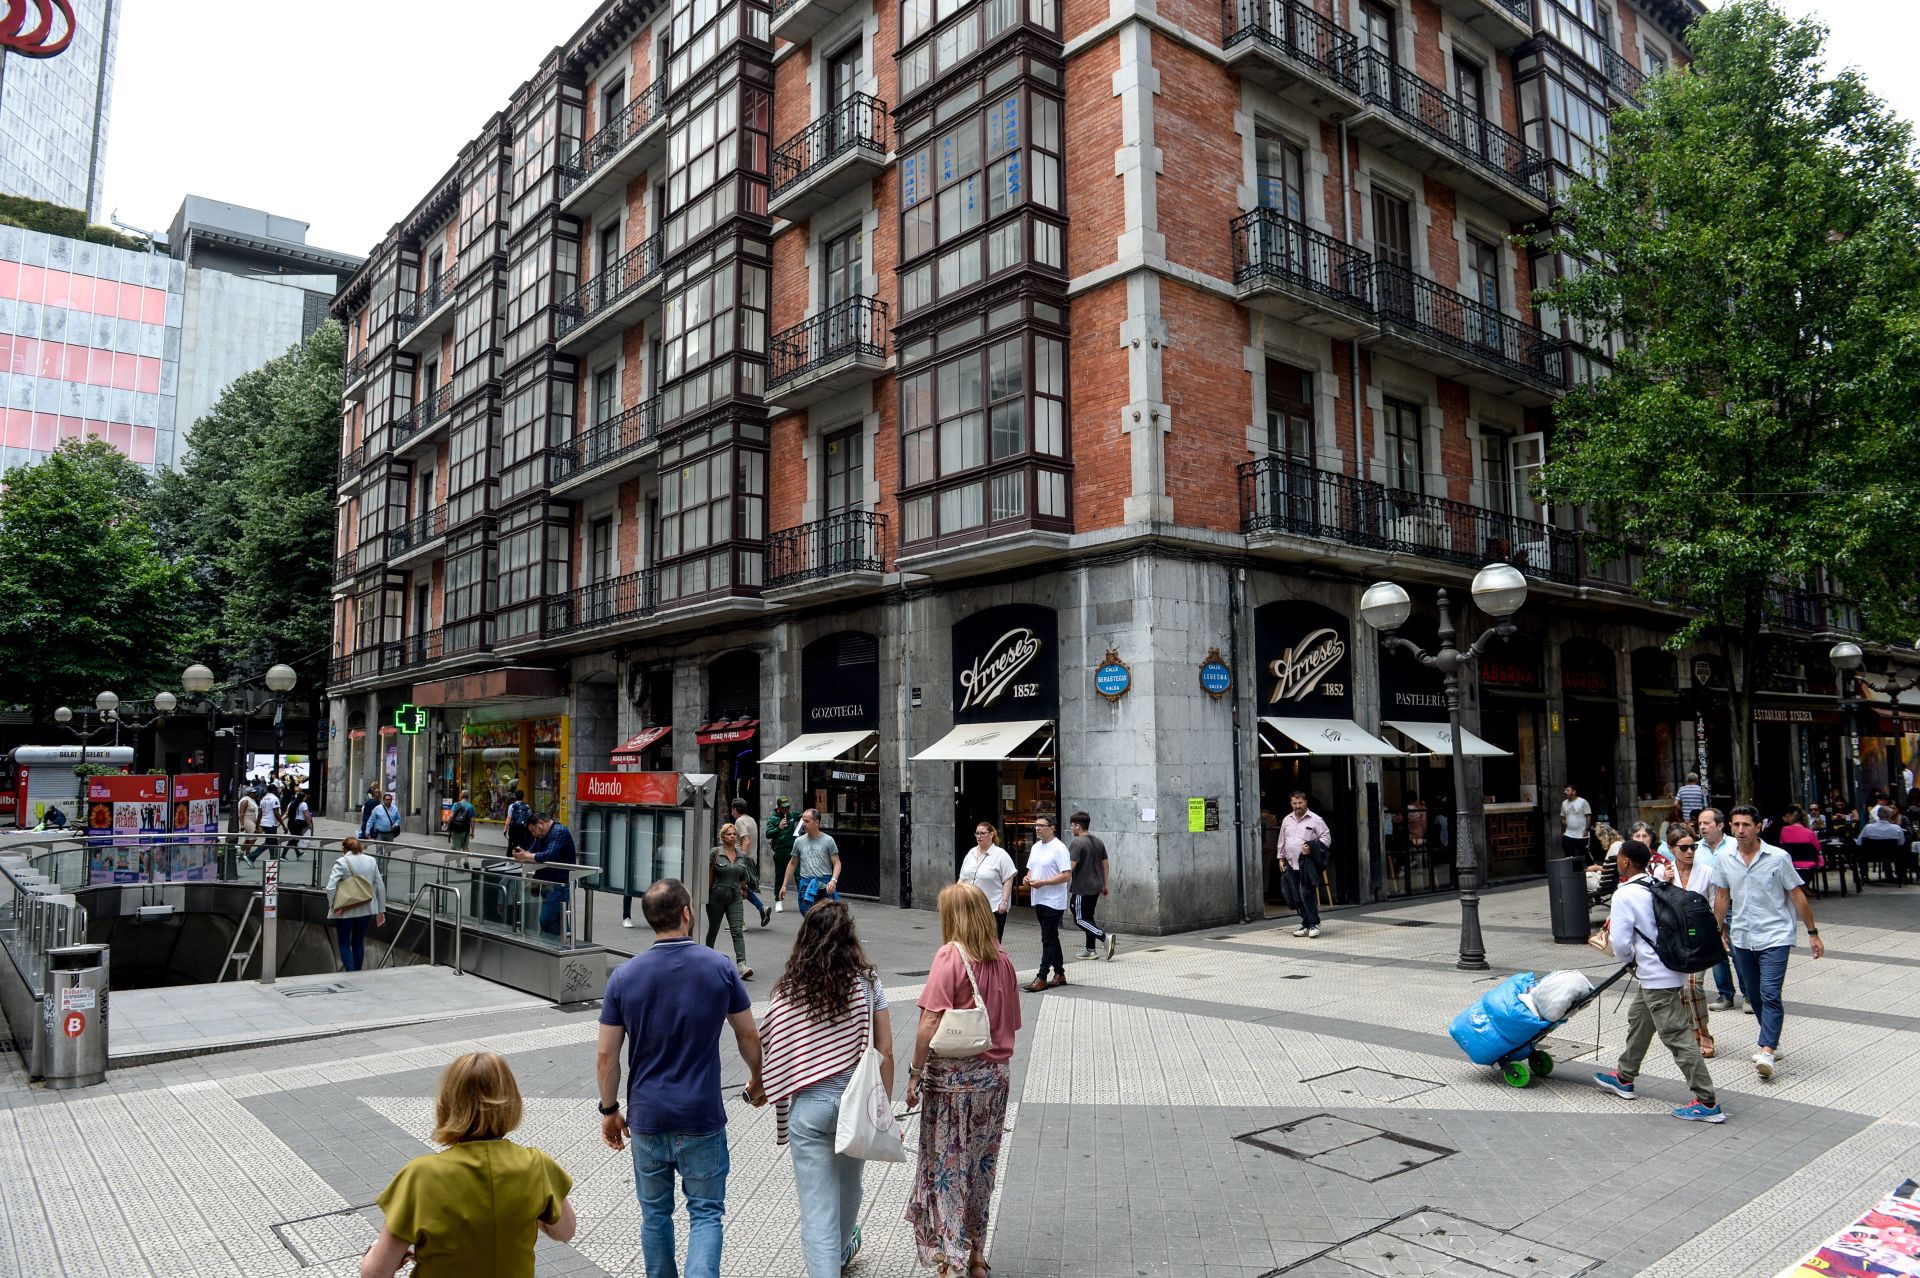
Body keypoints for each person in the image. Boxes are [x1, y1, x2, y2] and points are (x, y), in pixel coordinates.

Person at [597, 879, 762, 1278]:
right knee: (705, 1214)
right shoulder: (719, 966)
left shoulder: (623, 976)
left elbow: (606, 1055)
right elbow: (748, 1034)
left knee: (655, 1215)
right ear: (687, 913)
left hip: (647, 1117)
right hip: (701, 1115)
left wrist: (610, 1109)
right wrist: (757, 1078)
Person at [748, 901, 891, 1277]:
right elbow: (885, 1051)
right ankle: (841, 1251)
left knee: (817, 1209)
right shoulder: (869, 983)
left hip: (809, 1110)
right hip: (854, 1104)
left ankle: (829, 1262)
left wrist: (760, 1083)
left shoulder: (786, 991)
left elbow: (774, 1046)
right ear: (850, 939)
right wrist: (883, 1112)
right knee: (849, 1191)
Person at [360, 1051, 576, 1278]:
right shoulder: (537, 1166)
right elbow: (565, 1232)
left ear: (447, 1104)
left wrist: (373, 1253)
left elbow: (375, 1273)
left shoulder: (421, 1175)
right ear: (512, 1102)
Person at [906, 883, 1023, 1278]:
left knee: (948, 1168)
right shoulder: (1004, 960)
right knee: (981, 1168)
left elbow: (929, 1021)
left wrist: (915, 1073)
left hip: (953, 1083)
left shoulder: (950, 956)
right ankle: (976, 1255)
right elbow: (1013, 1024)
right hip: (995, 1080)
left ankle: (952, 1255)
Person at [1590, 837, 1725, 1123]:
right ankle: (1624, 1077)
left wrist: (1627, 959)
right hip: (1669, 969)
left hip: (1655, 975)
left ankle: (1707, 1101)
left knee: (1676, 1035)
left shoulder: (1625, 894)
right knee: (1639, 1018)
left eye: (1619, 858)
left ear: (1625, 861)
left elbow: (1622, 942)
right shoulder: (1656, 885)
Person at [1711, 804, 1825, 1080]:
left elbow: (1797, 895)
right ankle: (1770, 1039)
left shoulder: (1778, 857)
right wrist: (1716, 932)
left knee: (1771, 993)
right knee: (1754, 993)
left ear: (1758, 827)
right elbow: (1723, 897)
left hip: (1775, 935)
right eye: (1736, 825)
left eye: (1746, 825)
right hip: (1742, 936)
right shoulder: (1725, 858)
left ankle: (1766, 1050)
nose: (1740, 830)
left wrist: (1812, 933)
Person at [1667, 824, 1716, 1058]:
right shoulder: (1663, 872)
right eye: (1684, 848)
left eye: (1693, 847)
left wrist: (1718, 933)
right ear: (1671, 848)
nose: (1689, 852)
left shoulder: (1706, 871)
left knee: (1692, 984)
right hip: (1675, 940)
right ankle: (1692, 1031)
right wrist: (1663, 884)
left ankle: (1703, 1030)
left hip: (1701, 938)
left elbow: (1717, 902)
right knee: (1680, 987)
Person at [1694, 807, 1740, 1012]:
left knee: (1739, 951)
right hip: (1707, 907)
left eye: (1707, 823)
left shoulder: (1734, 845)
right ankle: (1725, 995)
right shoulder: (1695, 849)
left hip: (1734, 905)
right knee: (1716, 952)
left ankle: (1749, 995)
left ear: (1720, 825)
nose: (1702, 827)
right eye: (1700, 824)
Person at [1022, 814, 1072, 992]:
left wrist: (1044, 882)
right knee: (1052, 937)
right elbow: (1030, 870)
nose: (1037, 828)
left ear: (1052, 828)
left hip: (1053, 900)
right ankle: (1060, 973)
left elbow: (1066, 875)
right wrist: (1027, 879)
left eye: (1041, 826)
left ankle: (1042, 976)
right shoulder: (1036, 847)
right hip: (1038, 898)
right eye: (1036, 825)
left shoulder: (1059, 848)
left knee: (1047, 938)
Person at [326, 836, 388, 972]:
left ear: (344, 848)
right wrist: (381, 910)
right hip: (366, 907)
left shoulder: (341, 862)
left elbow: (330, 888)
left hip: (345, 909)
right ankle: (357, 972)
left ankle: (351, 972)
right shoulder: (371, 860)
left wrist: (334, 906)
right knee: (358, 941)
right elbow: (380, 885)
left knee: (344, 942)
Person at [512, 811, 577, 938]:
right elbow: (533, 852)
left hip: (560, 883)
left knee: (547, 919)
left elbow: (549, 855)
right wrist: (524, 854)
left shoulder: (559, 832)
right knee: (559, 918)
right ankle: (565, 943)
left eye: (533, 830)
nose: (533, 834)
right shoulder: (541, 836)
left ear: (541, 823)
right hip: (548, 883)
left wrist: (527, 856)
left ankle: (559, 942)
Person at [1277, 791, 1331, 939]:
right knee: (1296, 896)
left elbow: (1326, 838)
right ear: (1291, 803)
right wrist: (1280, 858)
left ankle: (1313, 924)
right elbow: (1282, 840)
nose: (1297, 806)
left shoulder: (1315, 819)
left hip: (1307, 863)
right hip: (1290, 862)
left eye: (1300, 803)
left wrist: (1312, 847)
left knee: (1306, 893)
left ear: (1305, 802)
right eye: (1294, 803)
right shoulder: (1287, 820)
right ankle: (1306, 923)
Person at [706, 822, 753, 979]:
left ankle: (742, 965)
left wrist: (744, 888)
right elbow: (707, 874)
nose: (732, 836)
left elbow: (742, 877)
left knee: (737, 931)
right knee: (713, 930)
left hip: (734, 898)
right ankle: (707, 959)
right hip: (716, 898)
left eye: (734, 834)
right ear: (722, 836)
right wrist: (705, 894)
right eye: (729, 834)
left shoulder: (741, 855)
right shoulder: (715, 853)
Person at [1067, 810, 1115, 961]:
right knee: (1088, 917)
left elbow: (1070, 866)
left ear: (1077, 827)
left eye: (1072, 826)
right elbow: (1106, 865)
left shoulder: (1077, 843)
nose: (1071, 828)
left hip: (1082, 888)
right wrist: (1105, 884)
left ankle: (1104, 937)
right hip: (1096, 886)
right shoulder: (1098, 841)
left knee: (1079, 919)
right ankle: (1090, 949)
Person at [958, 820, 1017, 940]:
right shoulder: (971, 853)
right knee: (972, 940)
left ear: (991, 834)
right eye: (977, 833)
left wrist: (1004, 902)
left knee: (992, 943)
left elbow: (1008, 879)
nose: (979, 836)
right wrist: (954, 894)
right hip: (971, 906)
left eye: (982, 833)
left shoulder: (1000, 854)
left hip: (993, 907)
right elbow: (962, 878)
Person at [780, 808, 842, 913]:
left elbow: (837, 863)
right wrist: (784, 885)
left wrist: (833, 880)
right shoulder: (799, 841)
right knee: (808, 917)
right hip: (806, 884)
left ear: (816, 822)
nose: (803, 824)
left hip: (825, 883)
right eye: (802, 820)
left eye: (807, 821)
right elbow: (792, 863)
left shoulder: (828, 840)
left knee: (829, 917)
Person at [728, 798, 772, 928]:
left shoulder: (740, 821)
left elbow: (746, 841)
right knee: (742, 889)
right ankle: (761, 908)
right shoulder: (751, 819)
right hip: (751, 859)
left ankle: (739, 922)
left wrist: (740, 859)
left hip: (744, 860)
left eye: (732, 809)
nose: (732, 812)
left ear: (735, 809)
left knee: (736, 890)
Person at [1859, 802, 1907, 885]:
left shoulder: (1868, 828)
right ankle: (1900, 874)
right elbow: (1902, 843)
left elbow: (1859, 842)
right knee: (1902, 851)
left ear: (1877, 815)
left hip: (1871, 855)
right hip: (1892, 855)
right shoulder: (1896, 829)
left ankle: (1864, 875)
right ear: (1890, 815)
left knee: (1860, 851)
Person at [767, 796, 799, 912]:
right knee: (780, 876)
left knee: (799, 874)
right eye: (784, 808)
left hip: (793, 849)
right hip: (780, 850)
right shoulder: (773, 819)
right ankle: (778, 900)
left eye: (788, 807)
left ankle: (803, 900)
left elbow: (803, 816)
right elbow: (768, 834)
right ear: (779, 807)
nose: (787, 810)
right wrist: (779, 828)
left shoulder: (791, 815)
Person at [1559, 783, 1594, 862]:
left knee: (1585, 854)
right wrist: (1563, 830)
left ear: (1574, 792)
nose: (1565, 792)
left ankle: (1593, 870)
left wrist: (1586, 829)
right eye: (1565, 790)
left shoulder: (1582, 802)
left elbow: (1588, 816)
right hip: (1569, 834)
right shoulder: (1564, 803)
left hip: (1581, 835)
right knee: (1569, 856)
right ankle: (1573, 873)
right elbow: (1562, 817)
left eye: (1568, 790)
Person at [285, 787, 312, 859]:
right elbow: (306, 816)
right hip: (299, 824)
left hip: (292, 823)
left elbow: (287, 813)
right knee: (294, 839)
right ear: (303, 797)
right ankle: (283, 855)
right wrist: (310, 825)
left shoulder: (292, 803)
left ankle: (298, 853)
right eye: (305, 797)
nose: (306, 798)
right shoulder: (303, 804)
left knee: (295, 838)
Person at [257, 781, 282, 857]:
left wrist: (257, 825)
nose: (278, 791)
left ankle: (273, 857)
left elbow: (260, 813)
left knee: (273, 841)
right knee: (269, 842)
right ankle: (251, 856)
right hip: (271, 823)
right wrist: (283, 824)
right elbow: (276, 813)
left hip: (264, 822)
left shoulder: (263, 799)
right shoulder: (274, 799)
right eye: (277, 789)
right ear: (274, 790)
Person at [447, 788, 476, 852]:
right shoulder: (471, 807)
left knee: (457, 848)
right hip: (466, 830)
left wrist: (448, 826)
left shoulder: (455, 804)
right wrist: (472, 832)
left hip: (456, 829)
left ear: (461, 796)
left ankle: (458, 862)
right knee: (465, 847)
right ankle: (466, 861)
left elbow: (451, 816)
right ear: (468, 797)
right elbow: (472, 821)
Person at [238, 787, 261, 863]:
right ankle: (247, 855)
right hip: (247, 820)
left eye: (255, 792)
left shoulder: (251, 800)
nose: (255, 794)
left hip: (252, 820)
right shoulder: (245, 801)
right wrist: (242, 825)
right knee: (252, 838)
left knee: (248, 838)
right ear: (249, 793)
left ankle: (241, 854)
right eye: (253, 793)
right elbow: (241, 813)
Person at [505, 788, 532, 854]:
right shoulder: (526, 806)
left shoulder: (512, 806)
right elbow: (530, 818)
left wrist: (505, 828)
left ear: (515, 797)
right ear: (523, 797)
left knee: (512, 844)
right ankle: (522, 856)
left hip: (513, 828)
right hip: (523, 829)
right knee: (523, 844)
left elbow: (509, 818)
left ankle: (511, 858)